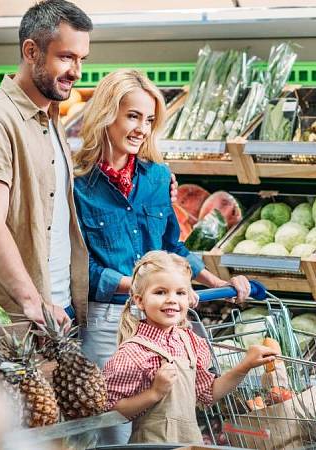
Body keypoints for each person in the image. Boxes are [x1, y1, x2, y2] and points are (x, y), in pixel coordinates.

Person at [72, 68, 251, 444]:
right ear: (107, 114)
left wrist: (215, 282)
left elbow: (174, 247)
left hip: (164, 323)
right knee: (115, 427)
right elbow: (78, 267)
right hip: (108, 320)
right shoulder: (77, 184)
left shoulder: (157, 177)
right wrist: (143, 287)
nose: (141, 128)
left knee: (168, 423)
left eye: (149, 119)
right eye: (133, 116)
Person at [0, 0, 93, 326]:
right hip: (9, 320)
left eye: (81, 59)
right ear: (31, 51)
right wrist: (34, 301)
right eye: (66, 57)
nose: (76, 71)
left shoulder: (51, 116)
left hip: (58, 309)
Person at [103, 250, 278, 444]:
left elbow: (209, 394)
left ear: (189, 298)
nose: (172, 299)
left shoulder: (189, 341)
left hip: (190, 443)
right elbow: (112, 409)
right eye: (160, 292)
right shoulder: (133, 352)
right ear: (139, 300)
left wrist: (245, 365)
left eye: (180, 292)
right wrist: (154, 393)